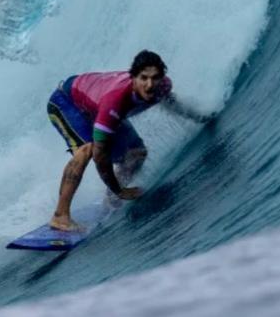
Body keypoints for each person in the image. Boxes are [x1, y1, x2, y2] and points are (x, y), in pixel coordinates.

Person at [46, 49, 211, 231]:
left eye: (155, 78)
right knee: (87, 149)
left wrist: (200, 117)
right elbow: (101, 156)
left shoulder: (162, 86)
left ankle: (110, 198)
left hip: (95, 104)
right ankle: (60, 216)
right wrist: (120, 189)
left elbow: (173, 104)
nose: (150, 85)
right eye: (143, 78)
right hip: (66, 102)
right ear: (133, 78)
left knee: (137, 153)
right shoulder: (115, 101)